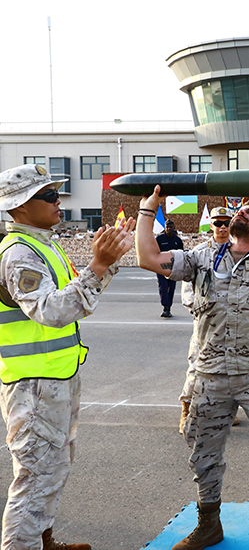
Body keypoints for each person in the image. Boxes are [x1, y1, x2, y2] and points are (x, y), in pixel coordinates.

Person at [135, 189, 249, 550]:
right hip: (210, 374)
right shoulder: (202, 258)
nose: (242, 213)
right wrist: (147, 208)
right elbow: (148, 257)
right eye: (240, 210)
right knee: (203, 453)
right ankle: (209, 524)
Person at [0, 164, 134, 550]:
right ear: (20, 206)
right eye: (48, 195)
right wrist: (97, 265)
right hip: (34, 386)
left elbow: (76, 300)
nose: (58, 200)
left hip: (55, 380)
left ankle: (43, 541)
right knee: (34, 477)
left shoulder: (43, 243)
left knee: (51, 470)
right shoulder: (19, 254)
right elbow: (52, 311)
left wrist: (104, 264)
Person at [178, 207, 232, 432]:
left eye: (226, 223)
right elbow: (187, 288)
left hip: (231, 323)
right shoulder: (198, 253)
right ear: (211, 225)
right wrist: (197, 310)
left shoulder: (240, 253)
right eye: (217, 223)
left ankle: (224, 410)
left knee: (229, 368)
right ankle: (187, 409)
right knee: (197, 367)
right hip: (205, 323)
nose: (222, 227)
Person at [156, 219, 184, 318]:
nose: (169, 229)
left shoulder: (177, 241)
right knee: (163, 287)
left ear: (173, 228)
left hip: (174, 267)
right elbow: (155, 252)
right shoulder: (159, 239)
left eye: (170, 227)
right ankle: (165, 307)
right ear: (165, 228)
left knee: (171, 287)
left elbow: (182, 254)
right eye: (167, 227)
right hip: (161, 267)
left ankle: (169, 308)